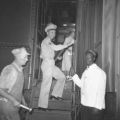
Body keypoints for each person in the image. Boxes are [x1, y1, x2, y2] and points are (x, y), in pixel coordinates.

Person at [38, 23, 74, 110]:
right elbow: (56, 47)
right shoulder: (46, 40)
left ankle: (55, 94)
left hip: (51, 63)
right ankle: (42, 106)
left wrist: (57, 57)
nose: (53, 34)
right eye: (51, 32)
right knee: (46, 84)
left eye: (54, 32)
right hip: (47, 65)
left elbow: (45, 54)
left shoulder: (48, 42)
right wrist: (68, 44)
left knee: (62, 77)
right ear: (47, 33)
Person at [68, 49, 106, 120]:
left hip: (95, 108)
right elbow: (81, 84)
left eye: (89, 57)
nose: (87, 59)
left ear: (94, 58)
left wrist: (97, 107)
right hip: (85, 105)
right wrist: (73, 75)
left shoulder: (100, 72)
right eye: (86, 58)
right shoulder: (85, 72)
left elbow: (101, 90)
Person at [0, 47, 30, 120]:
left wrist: (23, 101)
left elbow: (17, 89)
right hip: (7, 107)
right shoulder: (10, 70)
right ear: (18, 57)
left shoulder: (19, 70)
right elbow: (0, 90)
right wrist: (13, 100)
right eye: (25, 57)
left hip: (13, 107)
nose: (27, 59)